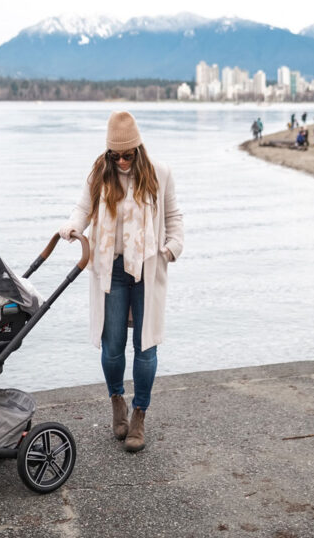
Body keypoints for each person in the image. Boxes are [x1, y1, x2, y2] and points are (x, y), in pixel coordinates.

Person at [59, 111, 184, 453]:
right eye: (117, 156)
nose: (123, 161)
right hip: (111, 268)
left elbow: (174, 217)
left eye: (128, 155)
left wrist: (171, 250)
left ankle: (140, 413)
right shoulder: (100, 172)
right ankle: (117, 399)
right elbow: (82, 208)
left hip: (147, 268)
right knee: (112, 345)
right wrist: (72, 228)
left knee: (146, 346)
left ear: (138, 149)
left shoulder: (160, 173)